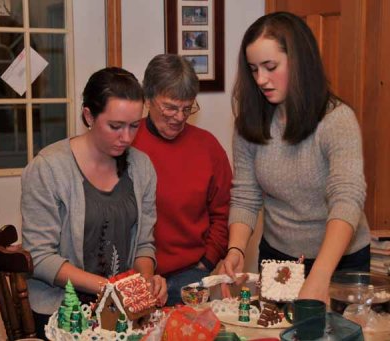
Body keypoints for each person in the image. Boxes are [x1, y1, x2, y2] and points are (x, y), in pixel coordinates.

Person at [218, 12, 371, 302]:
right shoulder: (250, 123)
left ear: (299, 62)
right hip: (279, 258)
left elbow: (347, 197)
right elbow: (246, 194)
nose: (261, 79)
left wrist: (320, 276)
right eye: (253, 69)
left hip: (339, 262)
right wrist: (236, 249)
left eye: (270, 66)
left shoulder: (337, 120)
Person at [21, 67, 167, 338]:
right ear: (89, 116)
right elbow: (40, 259)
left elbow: (144, 244)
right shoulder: (49, 168)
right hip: (63, 312)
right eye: (115, 126)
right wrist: (110, 288)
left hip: (122, 310)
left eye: (134, 125)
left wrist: (144, 279)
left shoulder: (141, 167)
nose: (127, 137)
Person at [133, 54, 232, 306]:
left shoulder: (207, 146)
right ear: (147, 99)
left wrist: (207, 262)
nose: (179, 117)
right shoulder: (127, 141)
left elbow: (223, 213)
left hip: (190, 274)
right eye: (170, 107)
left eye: (187, 108)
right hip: (136, 274)